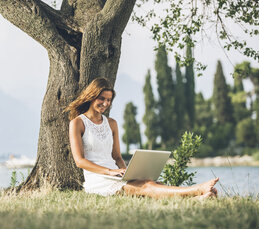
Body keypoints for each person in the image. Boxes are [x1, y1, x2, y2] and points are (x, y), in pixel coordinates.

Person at [66, 77, 218, 199]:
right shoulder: (77, 123)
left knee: (153, 183)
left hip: (117, 174)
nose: (106, 103)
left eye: (109, 100)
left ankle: (197, 199)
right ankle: (198, 190)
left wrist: (127, 172)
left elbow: (117, 156)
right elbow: (80, 161)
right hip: (98, 179)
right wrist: (108, 171)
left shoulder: (112, 123)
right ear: (92, 96)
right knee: (146, 186)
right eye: (102, 98)